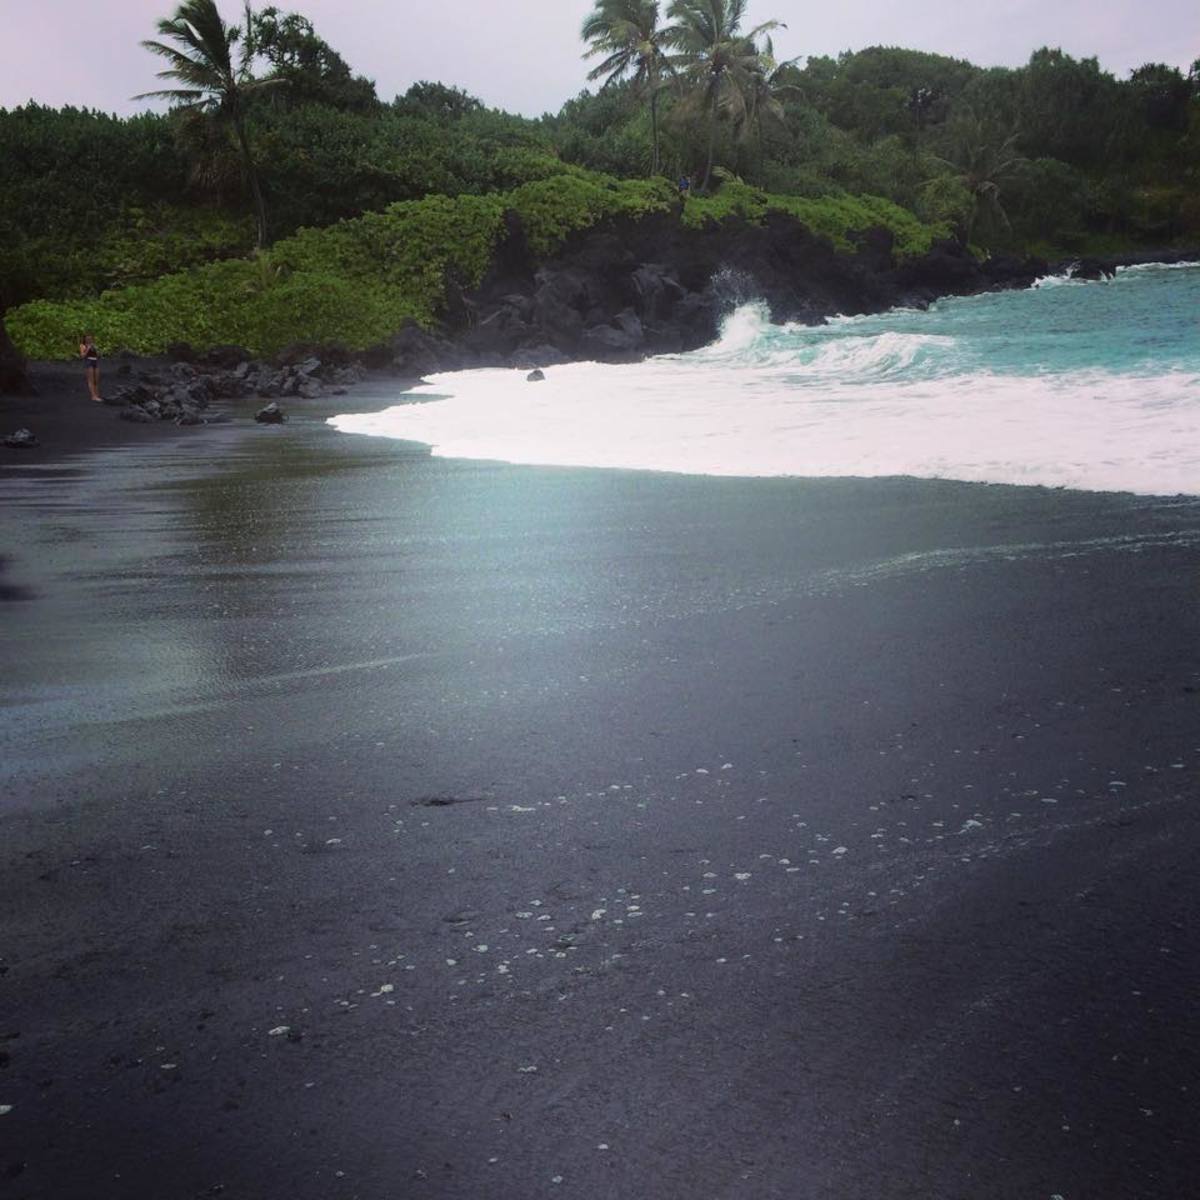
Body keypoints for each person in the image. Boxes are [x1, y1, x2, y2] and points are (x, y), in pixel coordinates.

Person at [79, 333, 101, 402]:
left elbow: (98, 355)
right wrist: (88, 349)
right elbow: (82, 356)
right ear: (85, 339)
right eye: (87, 338)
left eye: (90, 338)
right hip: (89, 361)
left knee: (96, 380)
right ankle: (93, 396)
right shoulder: (82, 345)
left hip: (95, 361)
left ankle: (97, 395)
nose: (89, 340)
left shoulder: (93, 345)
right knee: (90, 380)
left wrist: (96, 350)